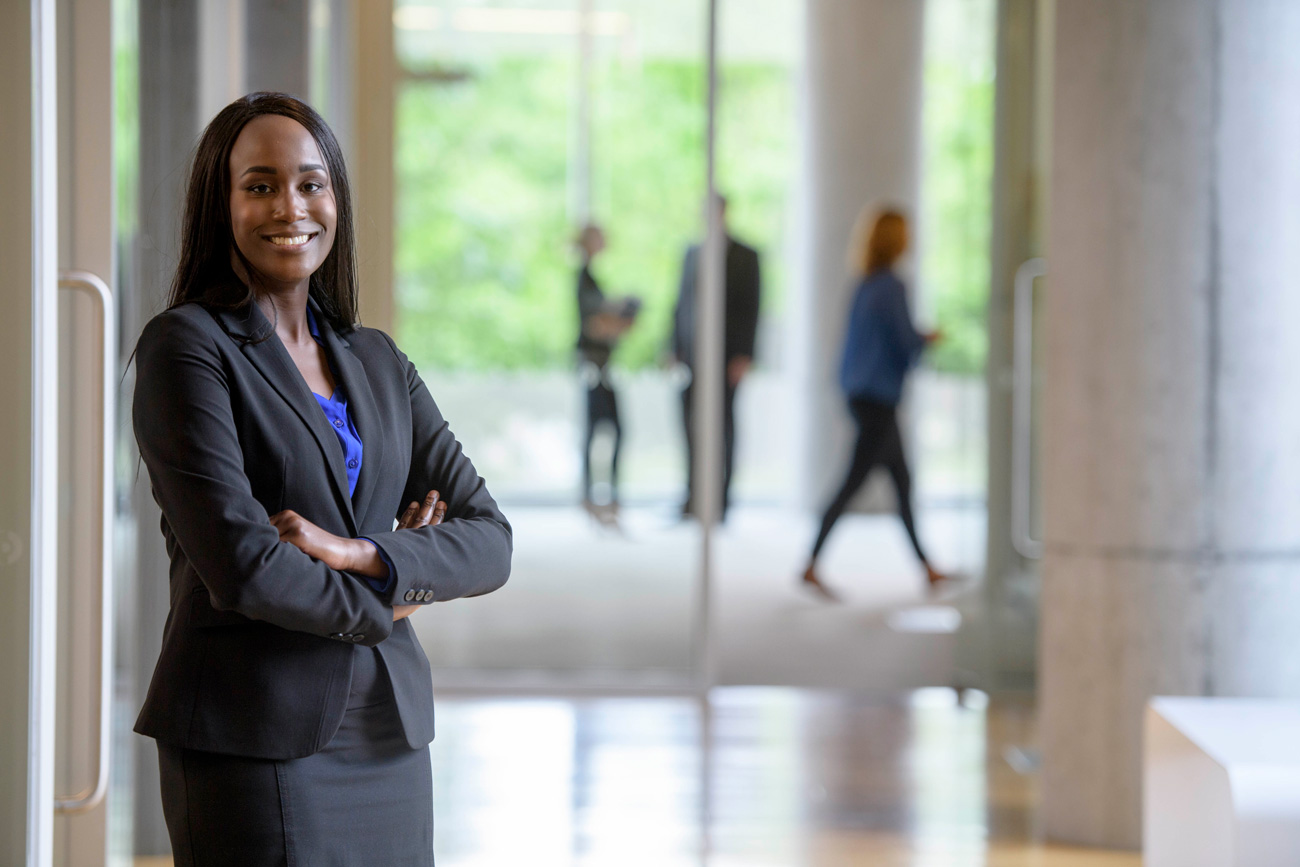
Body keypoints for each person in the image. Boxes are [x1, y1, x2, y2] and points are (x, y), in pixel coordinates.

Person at [131, 92, 512, 866]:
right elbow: (245, 568)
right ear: (221, 203)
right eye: (260, 184)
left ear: (335, 197)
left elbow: (490, 539)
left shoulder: (376, 358)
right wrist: (396, 597)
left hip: (388, 733)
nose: (290, 207)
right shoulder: (188, 348)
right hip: (254, 735)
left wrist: (360, 554)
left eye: (311, 183)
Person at [802, 206, 945, 600]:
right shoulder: (891, 287)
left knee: (901, 481)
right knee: (853, 483)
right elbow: (904, 343)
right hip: (877, 397)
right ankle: (810, 563)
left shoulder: (865, 284)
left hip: (861, 393)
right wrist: (927, 339)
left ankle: (928, 567)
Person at [671, 194, 761, 520]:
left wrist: (745, 355)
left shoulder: (746, 255)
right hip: (692, 356)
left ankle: (722, 501)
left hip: (727, 358)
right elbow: (680, 302)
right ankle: (692, 497)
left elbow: (752, 309)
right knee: (689, 426)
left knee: (724, 427)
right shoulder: (692, 253)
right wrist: (672, 348)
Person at [575, 223, 637, 517]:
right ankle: (596, 496)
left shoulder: (591, 278)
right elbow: (595, 325)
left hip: (601, 365)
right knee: (602, 430)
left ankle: (600, 494)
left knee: (604, 430)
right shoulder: (583, 279)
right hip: (594, 365)